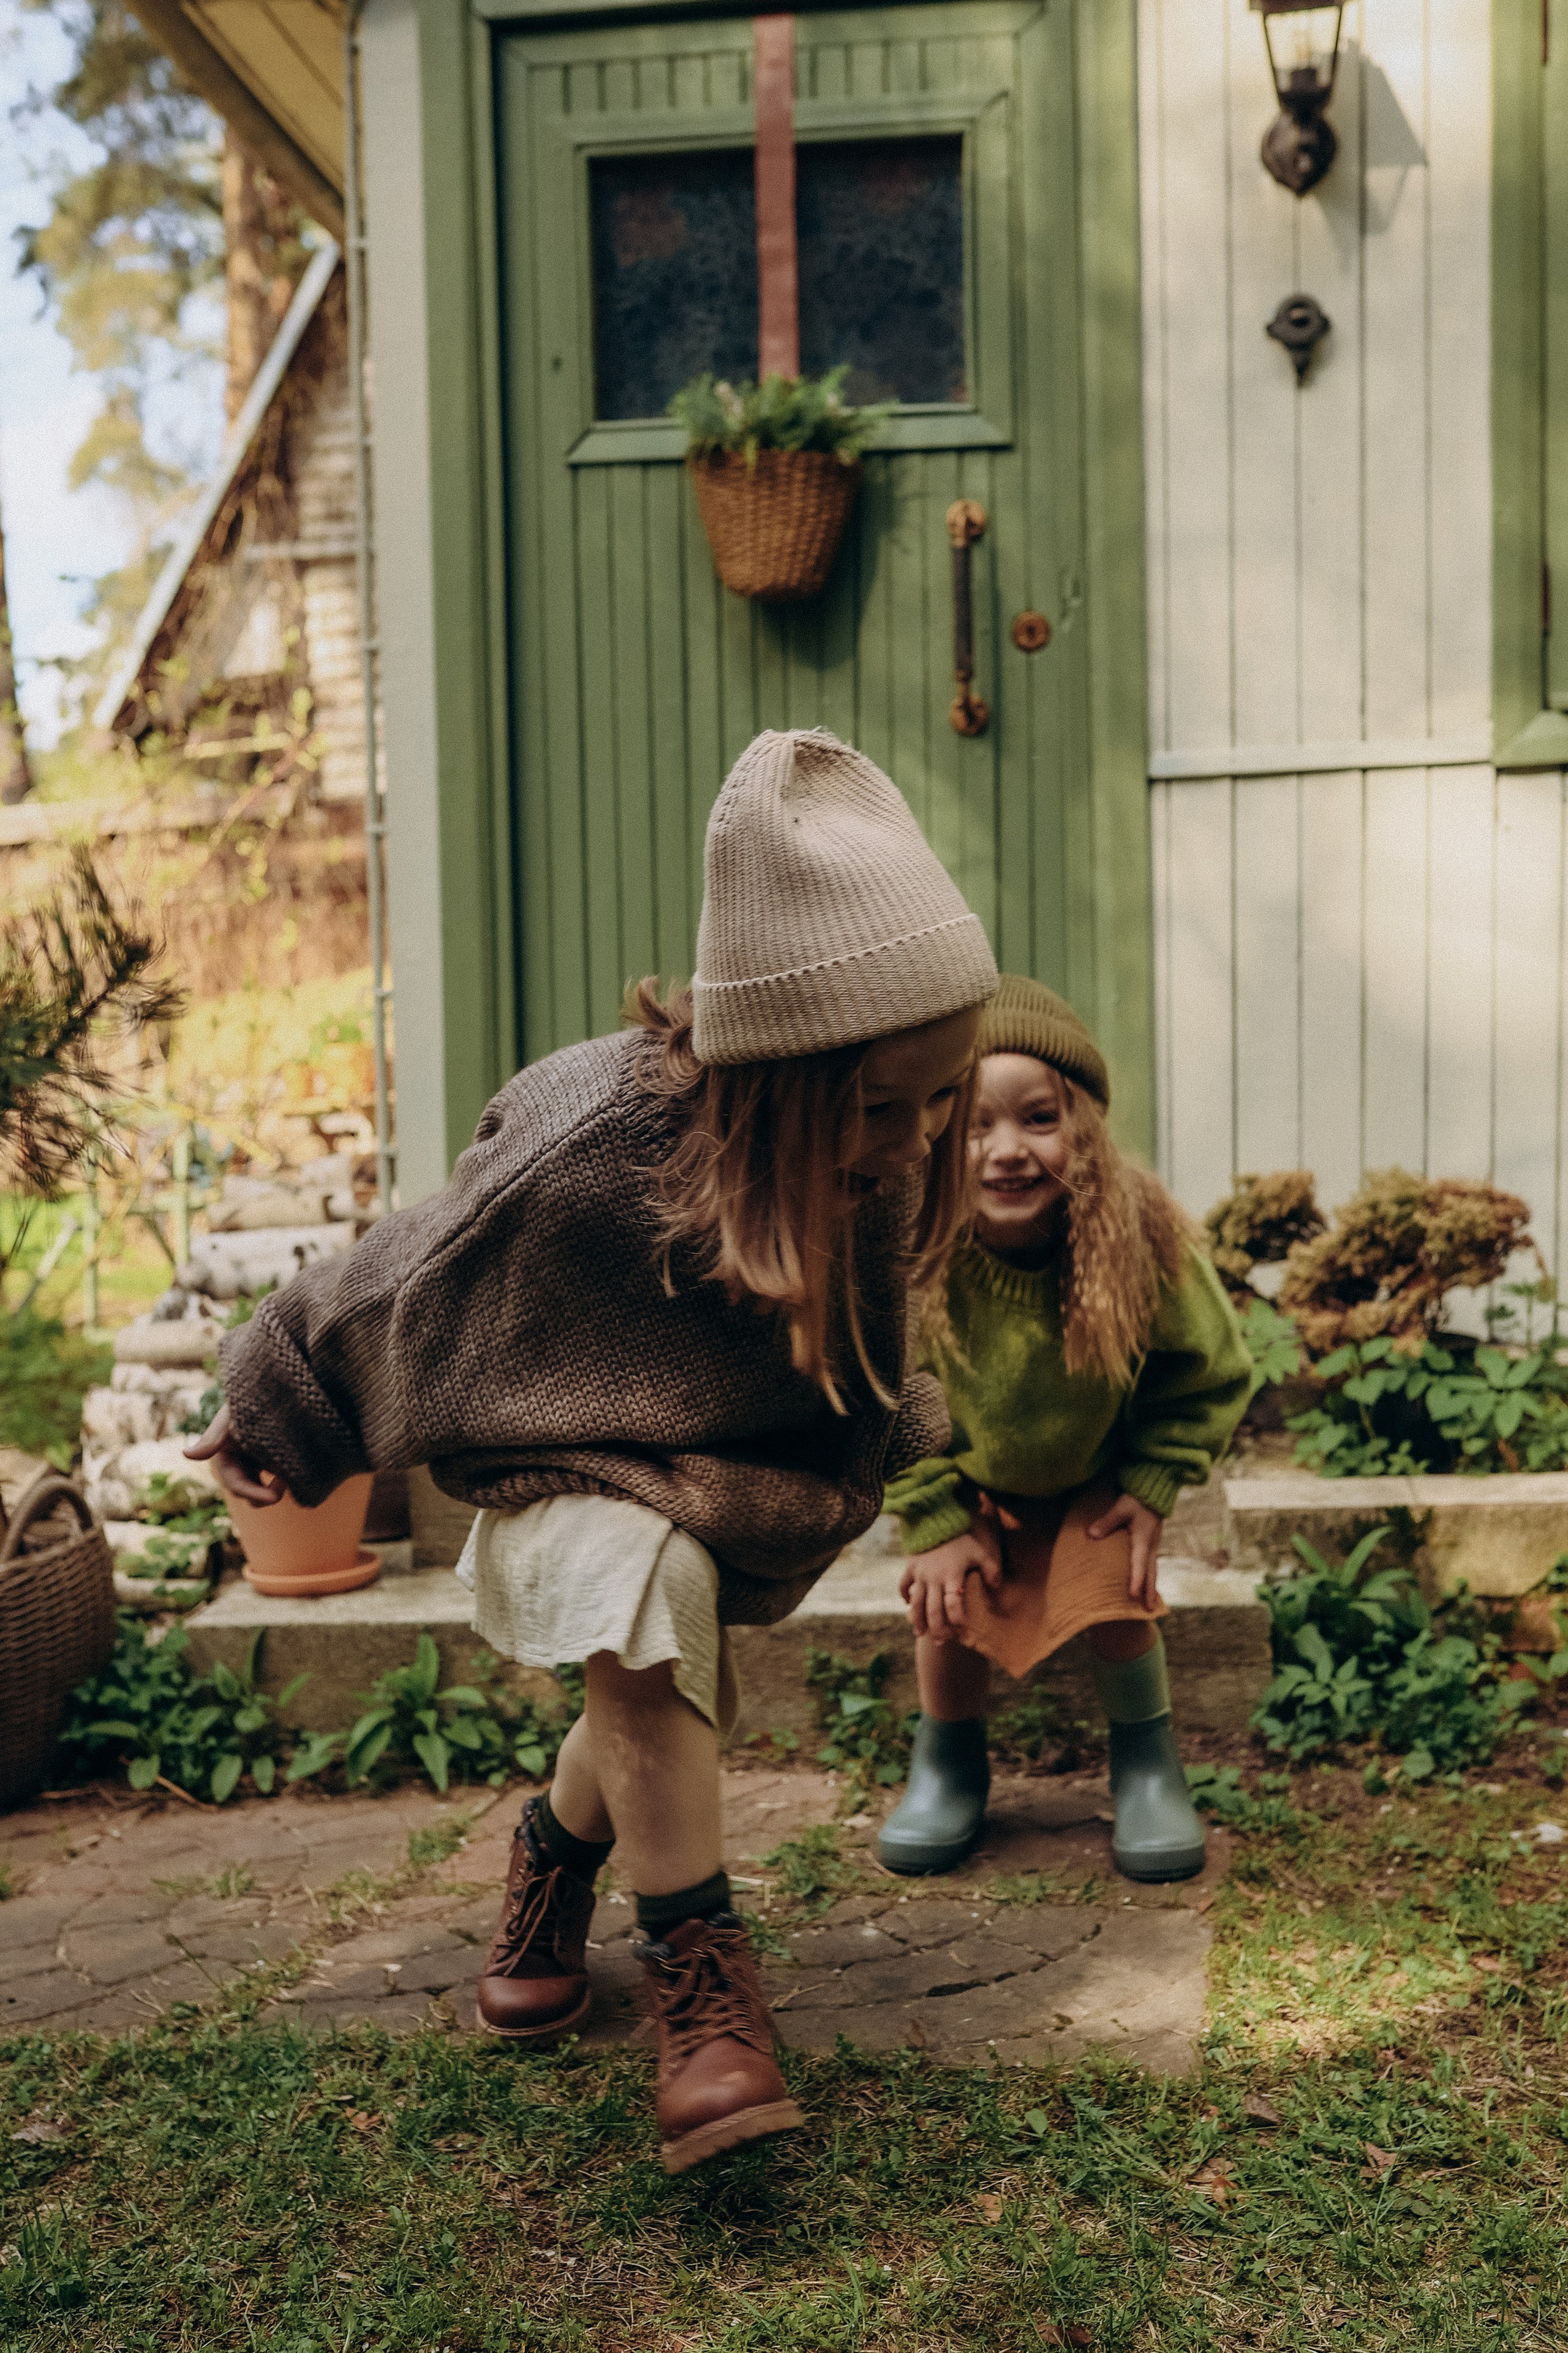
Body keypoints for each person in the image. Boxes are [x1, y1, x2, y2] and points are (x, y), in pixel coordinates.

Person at [187, 727, 997, 2174]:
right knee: (633, 1579)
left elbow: (893, 1342)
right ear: (778, 1072)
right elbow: (399, 1270)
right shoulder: (591, 1139)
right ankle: (706, 1992)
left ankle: (553, 1853)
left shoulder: (874, 1151)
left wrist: (924, 1481)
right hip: (556, 1471)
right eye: (886, 1105)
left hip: (722, 1484)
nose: (918, 1136)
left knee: (661, 1664)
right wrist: (279, 1402)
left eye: (943, 1095)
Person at [878, 975, 1250, 1884]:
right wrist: (931, 1516)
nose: (1006, 1150)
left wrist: (1152, 1481)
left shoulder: (1139, 1235)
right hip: (968, 1482)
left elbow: (1208, 1368)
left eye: (1038, 1118)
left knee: (1120, 1604)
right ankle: (949, 1763)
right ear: (934, 1131)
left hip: (1094, 1482)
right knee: (947, 1615)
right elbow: (874, 1388)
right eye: (974, 1123)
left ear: (1081, 1127)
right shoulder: (912, 1243)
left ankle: (1148, 1766)